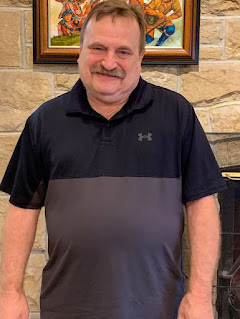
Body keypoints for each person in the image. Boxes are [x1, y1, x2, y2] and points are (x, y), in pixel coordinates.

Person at [0, 0, 226, 318]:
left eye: (123, 51)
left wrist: (200, 296)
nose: (109, 62)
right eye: (98, 48)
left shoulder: (176, 115)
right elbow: (23, 207)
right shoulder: (44, 121)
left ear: (140, 58)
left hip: (158, 308)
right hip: (68, 308)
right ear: (80, 51)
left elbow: (202, 204)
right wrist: (10, 292)